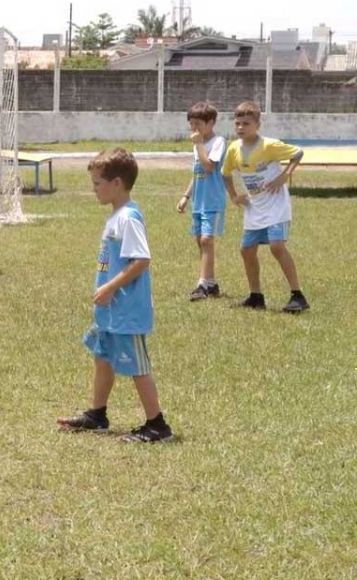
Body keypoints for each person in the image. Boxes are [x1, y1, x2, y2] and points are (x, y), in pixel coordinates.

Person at [57, 148, 172, 443]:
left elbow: (141, 260)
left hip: (126, 310)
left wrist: (110, 288)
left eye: (98, 183)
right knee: (102, 356)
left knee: (137, 366)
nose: (93, 189)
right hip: (110, 311)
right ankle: (97, 415)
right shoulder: (116, 216)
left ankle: (157, 425)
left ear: (117, 183)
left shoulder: (129, 218)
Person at [221, 101, 309, 313]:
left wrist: (284, 176)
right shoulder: (234, 149)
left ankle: (298, 296)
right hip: (254, 208)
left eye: (246, 123)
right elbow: (225, 174)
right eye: (238, 123)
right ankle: (256, 296)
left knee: (277, 246)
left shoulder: (269, 145)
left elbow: (298, 153)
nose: (241, 127)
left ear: (257, 125)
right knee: (246, 250)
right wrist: (234, 196)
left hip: (276, 206)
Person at [176, 102, 228, 301]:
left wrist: (198, 144)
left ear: (211, 123)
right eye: (191, 124)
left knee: (207, 240)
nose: (194, 128)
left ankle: (202, 285)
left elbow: (209, 167)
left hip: (212, 201)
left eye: (198, 124)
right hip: (199, 201)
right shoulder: (197, 145)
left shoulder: (218, 142)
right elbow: (197, 173)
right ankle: (211, 283)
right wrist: (186, 196)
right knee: (200, 241)